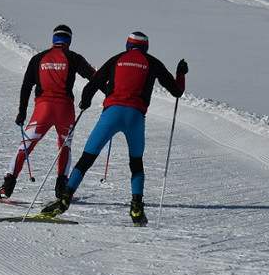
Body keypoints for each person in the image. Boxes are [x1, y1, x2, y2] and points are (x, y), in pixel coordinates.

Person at [40, 31, 188, 226]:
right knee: (136, 162)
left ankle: (65, 199)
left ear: (128, 45)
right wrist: (181, 73)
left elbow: (93, 84)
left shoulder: (116, 59)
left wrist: (85, 102)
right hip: (135, 117)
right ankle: (136, 207)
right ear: (146, 47)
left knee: (87, 158)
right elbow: (177, 91)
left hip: (111, 114)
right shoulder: (153, 62)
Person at [0, 25, 96, 199]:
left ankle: (7, 187)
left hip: (43, 110)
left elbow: (26, 86)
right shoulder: (73, 57)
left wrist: (22, 112)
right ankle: (61, 189)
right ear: (69, 40)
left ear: (53, 39)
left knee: (25, 146)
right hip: (65, 110)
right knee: (65, 147)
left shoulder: (39, 58)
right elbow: (94, 77)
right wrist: (106, 94)